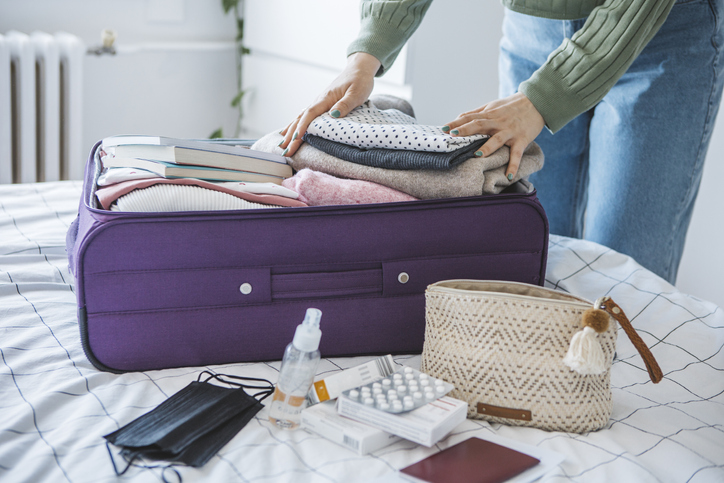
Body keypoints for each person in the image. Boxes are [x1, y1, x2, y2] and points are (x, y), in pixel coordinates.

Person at [278, 0, 724, 284]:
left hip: (657, 34)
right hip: (533, 32)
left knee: (626, 275)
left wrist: (545, 98)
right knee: (531, 258)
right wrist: (367, 52)